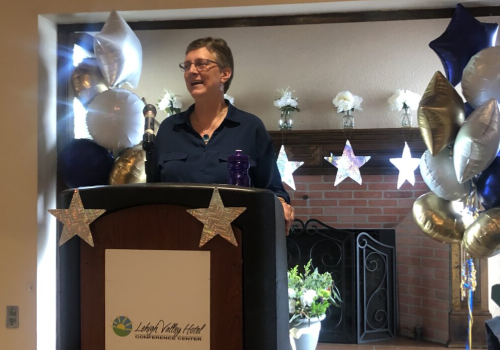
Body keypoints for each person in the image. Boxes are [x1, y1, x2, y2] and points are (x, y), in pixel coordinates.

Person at [153, 37, 294, 233]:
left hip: (236, 246)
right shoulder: (169, 129)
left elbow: (273, 189)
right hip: (176, 243)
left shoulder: (250, 127)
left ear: (225, 73)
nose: (191, 71)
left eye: (201, 64)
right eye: (186, 66)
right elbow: (150, 194)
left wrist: (281, 205)